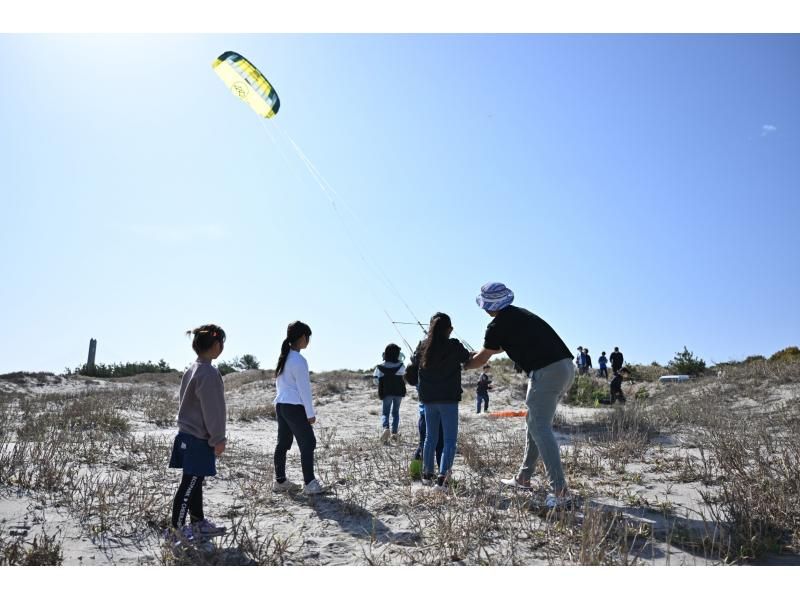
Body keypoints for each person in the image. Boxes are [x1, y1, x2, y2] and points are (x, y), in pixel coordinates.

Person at [465, 283, 576, 509]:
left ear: (487, 306)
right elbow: (493, 350)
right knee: (534, 423)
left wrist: (460, 364)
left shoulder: (496, 326)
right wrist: (471, 355)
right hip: (564, 368)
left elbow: (481, 359)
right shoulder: (520, 315)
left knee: (540, 428)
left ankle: (561, 491)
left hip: (546, 371)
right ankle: (523, 478)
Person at [168, 324, 228, 545]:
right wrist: (218, 439)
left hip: (186, 435)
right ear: (215, 345)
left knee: (194, 481)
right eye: (222, 342)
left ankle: (198, 523)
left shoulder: (192, 369)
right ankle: (176, 530)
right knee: (189, 484)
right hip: (198, 439)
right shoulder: (209, 373)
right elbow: (213, 410)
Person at [416, 312, 471, 492]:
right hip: (448, 400)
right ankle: (443, 479)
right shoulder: (454, 345)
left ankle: (427, 475)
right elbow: (466, 357)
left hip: (428, 400)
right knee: (449, 441)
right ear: (450, 329)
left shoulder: (422, 346)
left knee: (430, 438)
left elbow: (415, 362)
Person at [272, 321, 324, 495]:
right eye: (307, 337)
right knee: (308, 442)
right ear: (302, 337)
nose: (308, 341)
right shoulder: (299, 360)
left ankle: (280, 481)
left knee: (283, 443)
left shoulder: (284, 357)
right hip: (294, 406)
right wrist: (310, 414)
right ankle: (309, 483)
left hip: (281, 405)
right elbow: (304, 390)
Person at [373, 343, 406, 443]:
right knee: (395, 413)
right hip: (398, 392)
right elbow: (404, 375)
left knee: (385, 413)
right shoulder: (401, 366)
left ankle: (385, 428)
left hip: (386, 392)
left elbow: (375, 380)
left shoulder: (379, 367)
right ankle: (394, 433)